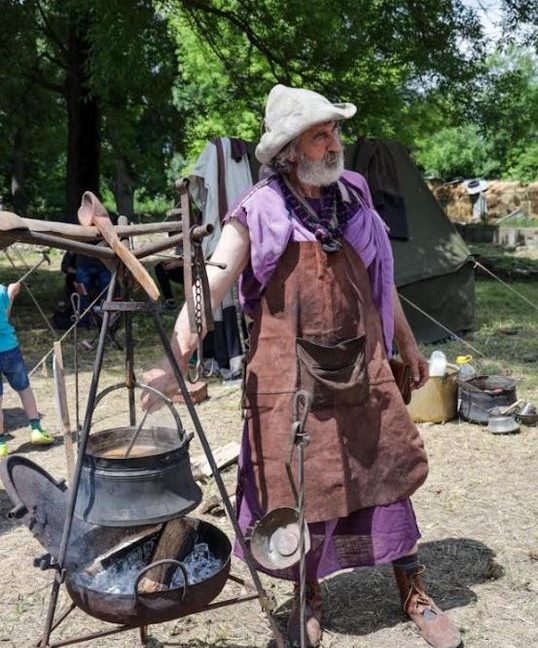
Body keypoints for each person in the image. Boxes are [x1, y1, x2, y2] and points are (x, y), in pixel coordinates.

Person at [142, 84, 461, 648]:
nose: (334, 144)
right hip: (288, 379)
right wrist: (177, 353)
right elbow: (211, 283)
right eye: (320, 136)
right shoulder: (258, 210)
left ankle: (413, 588)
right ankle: (307, 594)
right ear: (290, 151)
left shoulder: (355, 194)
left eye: (334, 131)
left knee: (386, 469)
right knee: (298, 485)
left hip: (362, 365)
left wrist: (408, 345)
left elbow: (382, 279)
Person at [0, 282, 53, 457]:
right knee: (24, 389)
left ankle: (1, 443)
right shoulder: (1, 291)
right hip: (9, 349)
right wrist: (11, 295)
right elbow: (5, 317)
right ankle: (36, 429)